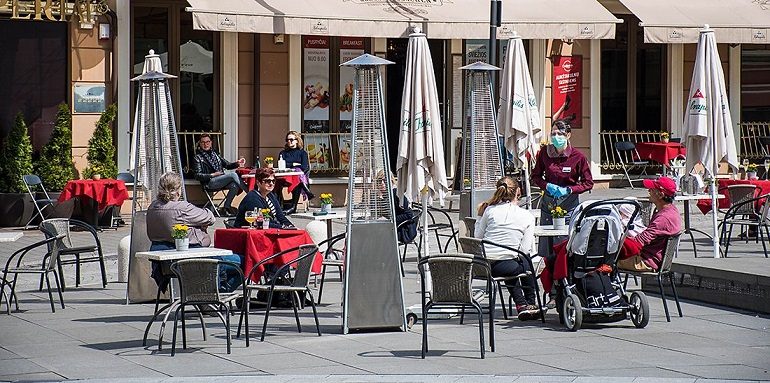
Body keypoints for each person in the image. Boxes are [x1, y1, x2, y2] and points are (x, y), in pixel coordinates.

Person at [146, 172, 243, 293]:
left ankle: (211, 293)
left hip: (164, 266)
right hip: (194, 261)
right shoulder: (182, 208)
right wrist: (199, 225)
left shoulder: (152, 207)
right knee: (245, 262)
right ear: (178, 191)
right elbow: (210, 218)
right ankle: (216, 293)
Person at [531, 119, 593, 307]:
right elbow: (535, 176)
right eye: (553, 134)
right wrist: (546, 185)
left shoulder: (578, 157)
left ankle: (567, 287)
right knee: (548, 250)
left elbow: (588, 182)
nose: (556, 137)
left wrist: (570, 190)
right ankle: (552, 291)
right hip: (549, 204)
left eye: (560, 134)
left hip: (569, 206)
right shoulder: (544, 153)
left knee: (565, 249)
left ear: (568, 136)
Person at [474, 177, 540, 320]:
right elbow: (525, 249)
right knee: (525, 261)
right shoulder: (527, 216)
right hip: (505, 265)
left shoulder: (489, 211)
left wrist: (479, 217)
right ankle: (531, 303)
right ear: (518, 191)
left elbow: (477, 237)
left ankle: (522, 305)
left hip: (483, 264)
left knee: (513, 262)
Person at [617, 177, 682, 272]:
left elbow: (639, 242)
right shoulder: (671, 210)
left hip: (646, 261)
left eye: (652, 189)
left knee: (605, 259)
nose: (649, 191)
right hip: (653, 258)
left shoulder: (664, 218)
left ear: (660, 194)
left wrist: (617, 242)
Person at [192, 133, 247, 215]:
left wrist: (237, 163)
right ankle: (250, 193)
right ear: (200, 144)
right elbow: (197, 176)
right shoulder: (197, 157)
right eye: (203, 142)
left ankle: (226, 207)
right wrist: (212, 175)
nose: (205, 144)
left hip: (220, 180)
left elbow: (227, 165)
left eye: (207, 142)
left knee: (234, 185)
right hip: (209, 182)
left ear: (211, 143)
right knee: (233, 175)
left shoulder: (215, 153)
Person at [278, 131, 314, 214]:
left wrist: (293, 166)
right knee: (279, 182)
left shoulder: (302, 153)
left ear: (297, 140)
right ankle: (307, 191)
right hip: (285, 177)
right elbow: (282, 165)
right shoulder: (283, 153)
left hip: (298, 177)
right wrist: (295, 164)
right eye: (287, 140)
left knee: (297, 177)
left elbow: (305, 167)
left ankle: (293, 207)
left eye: (291, 139)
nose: (289, 141)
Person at [377, 171, 417, 244]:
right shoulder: (384, 195)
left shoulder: (396, 193)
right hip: (392, 227)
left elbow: (409, 214)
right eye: (380, 181)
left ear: (391, 181)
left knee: (376, 235)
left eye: (385, 181)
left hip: (404, 231)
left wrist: (391, 219)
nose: (382, 184)